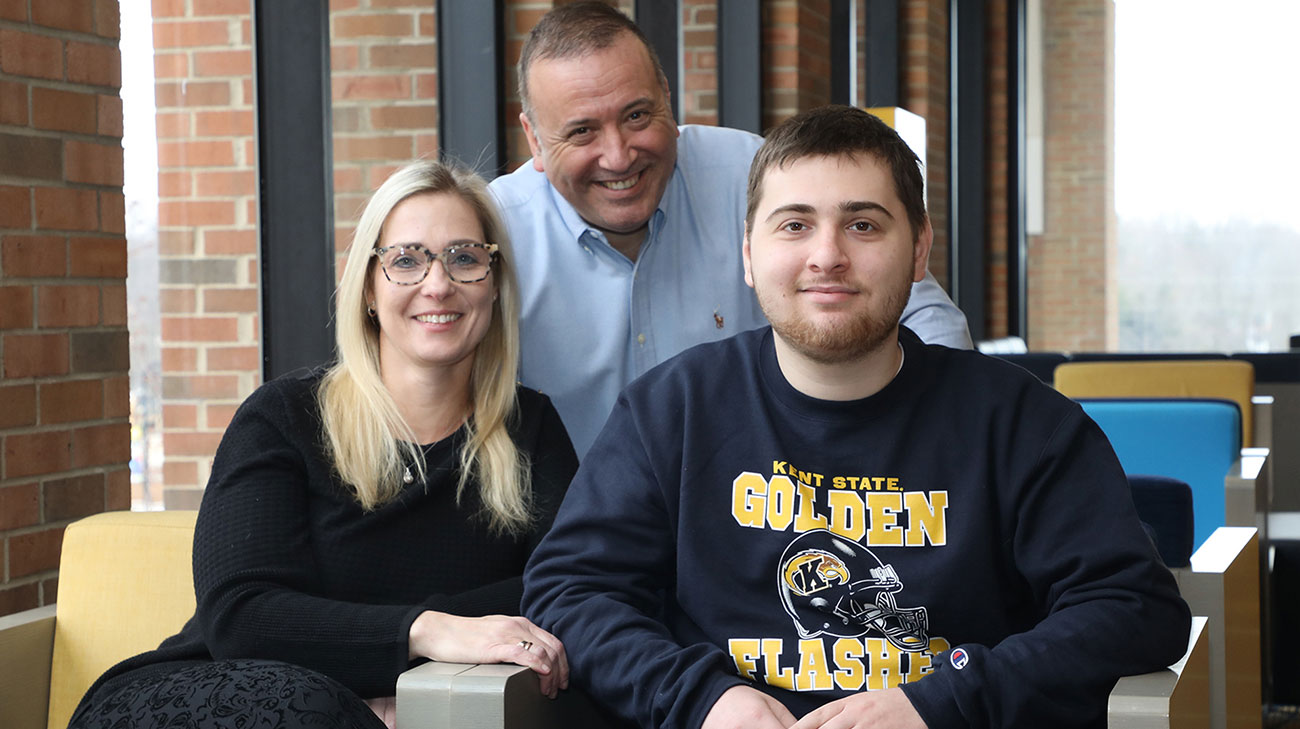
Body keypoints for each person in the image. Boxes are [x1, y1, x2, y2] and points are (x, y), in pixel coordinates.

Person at [522, 106, 1190, 729]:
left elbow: (1133, 607)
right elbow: (571, 590)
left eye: (863, 223)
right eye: (795, 224)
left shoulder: (1019, 421)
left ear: (920, 249)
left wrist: (941, 697)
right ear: (750, 255)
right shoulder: (673, 409)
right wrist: (704, 697)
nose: (827, 256)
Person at [70, 161, 578, 729]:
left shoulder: (529, 429)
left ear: (494, 282)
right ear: (367, 287)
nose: (438, 284)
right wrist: (426, 631)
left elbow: (567, 590)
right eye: (406, 260)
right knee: (315, 710)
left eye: (464, 257)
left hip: (380, 709)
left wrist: (386, 688)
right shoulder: (283, 418)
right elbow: (243, 617)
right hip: (200, 696)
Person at [489, 1, 973, 458]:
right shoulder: (491, 239)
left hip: (775, 519)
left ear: (667, 99)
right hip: (580, 527)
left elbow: (925, 316)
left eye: (637, 115)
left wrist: (912, 456)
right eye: (582, 131)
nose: (618, 156)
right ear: (533, 137)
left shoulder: (756, 179)